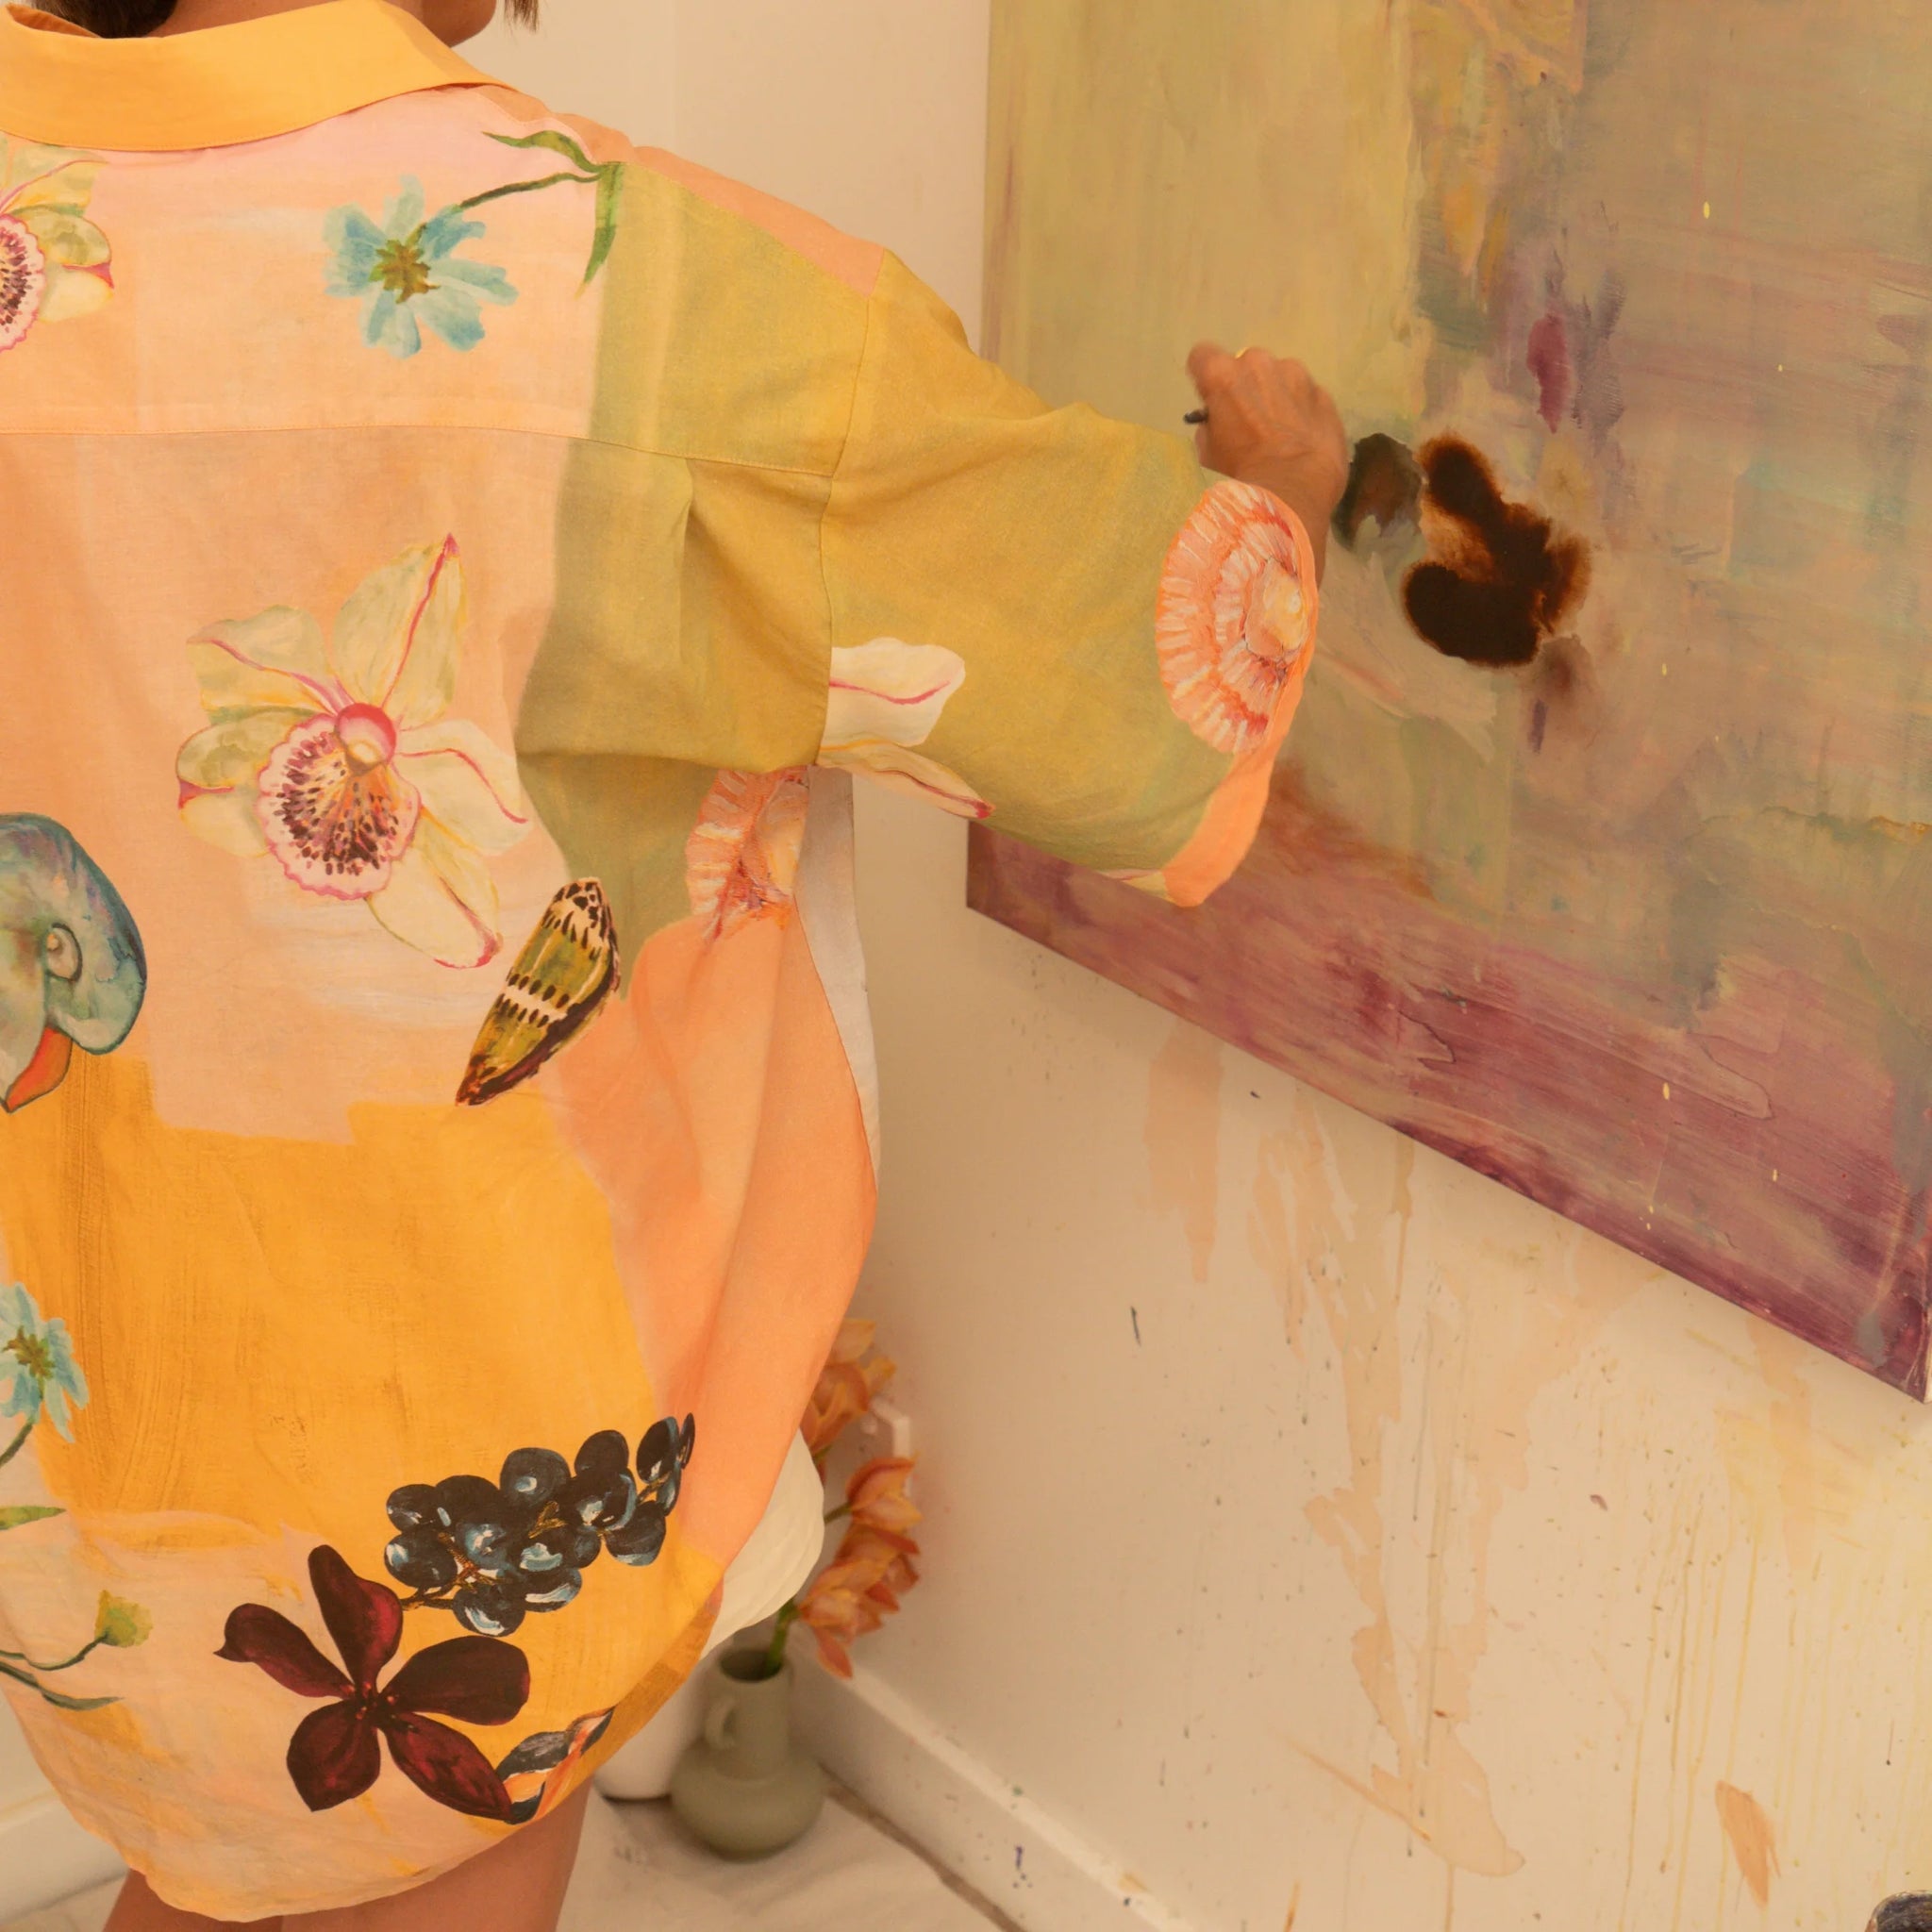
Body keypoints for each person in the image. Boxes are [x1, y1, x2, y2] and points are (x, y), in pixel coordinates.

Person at [0, 0, 1349, 1922]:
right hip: (458, 1393)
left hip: (72, 1362)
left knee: (236, 1860)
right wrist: (1278, 509)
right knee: (440, 1829)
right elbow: (1101, 650)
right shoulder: (633, 286)